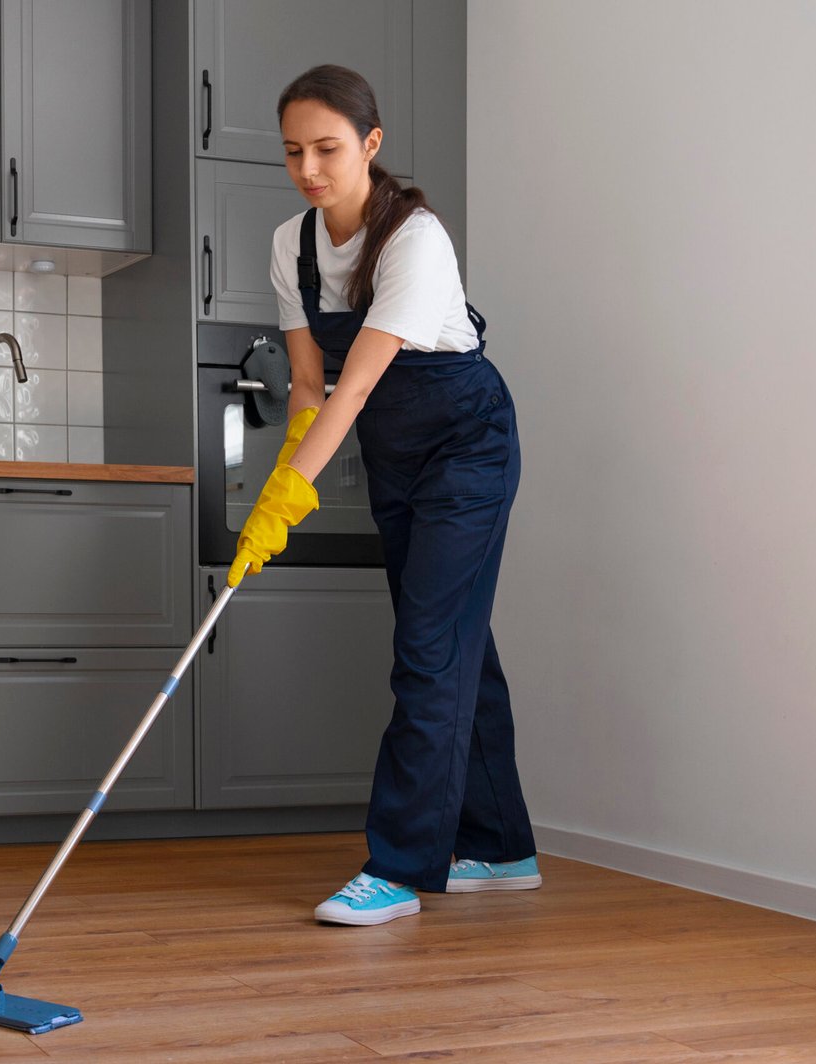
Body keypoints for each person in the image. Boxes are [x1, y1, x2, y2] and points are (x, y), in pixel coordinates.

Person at [229, 64, 541, 925]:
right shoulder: (292, 243)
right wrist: (290, 456)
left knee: (428, 649)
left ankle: (399, 867)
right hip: (396, 458)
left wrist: (287, 497)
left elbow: (356, 385)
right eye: (293, 151)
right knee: (453, 643)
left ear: (370, 144)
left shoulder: (414, 240)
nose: (309, 169)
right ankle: (502, 845)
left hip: (467, 448)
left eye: (328, 149)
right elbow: (307, 384)